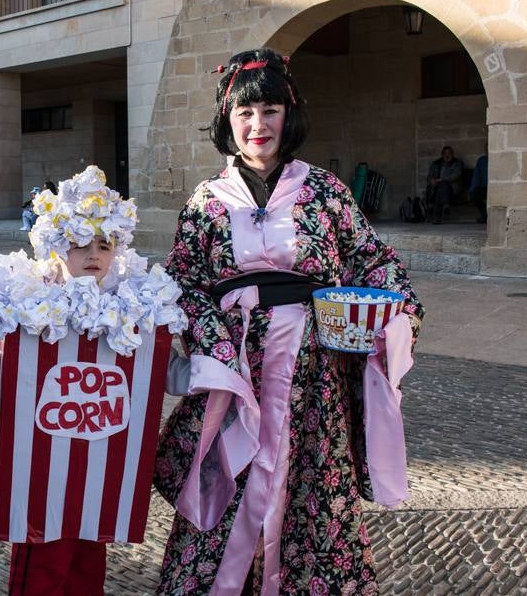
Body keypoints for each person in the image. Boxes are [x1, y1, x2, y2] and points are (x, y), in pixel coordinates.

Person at [153, 48, 425, 595]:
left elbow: (374, 260)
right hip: (237, 374)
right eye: (245, 113)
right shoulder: (206, 202)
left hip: (313, 376)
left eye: (270, 110)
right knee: (234, 480)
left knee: (308, 485)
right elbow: (182, 282)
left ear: (289, 115)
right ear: (228, 121)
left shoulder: (325, 191)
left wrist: (398, 312)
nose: (258, 125)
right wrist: (216, 345)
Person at [0, 166, 190, 596]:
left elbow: (167, 373)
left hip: (100, 484)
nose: (93, 253)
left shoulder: (130, 312)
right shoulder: (32, 304)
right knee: (42, 575)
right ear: (56, 247)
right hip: (40, 487)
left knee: (88, 572)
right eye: (78, 244)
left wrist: (230, 379)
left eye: (103, 244)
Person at [426, 145, 465, 224]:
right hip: (436, 188)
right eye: (445, 153)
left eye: (449, 153)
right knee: (440, 188)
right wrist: (431, 181)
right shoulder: (436, 164)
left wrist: (442, 180)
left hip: (452, 188)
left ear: (453, 154)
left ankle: (436, 218)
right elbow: (429, 177)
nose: (447, 155)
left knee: (442, 185)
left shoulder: (457, 163)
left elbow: (456, 175)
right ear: (442, 154)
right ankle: (445, 204)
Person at [469, 153, 488, 223]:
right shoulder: (481, 160)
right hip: (484, 187)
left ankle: (486, 217)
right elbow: (476, 176)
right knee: (475, 195)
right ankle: (485, 215)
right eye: (486, 149)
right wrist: (472, 190)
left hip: (496, 188)